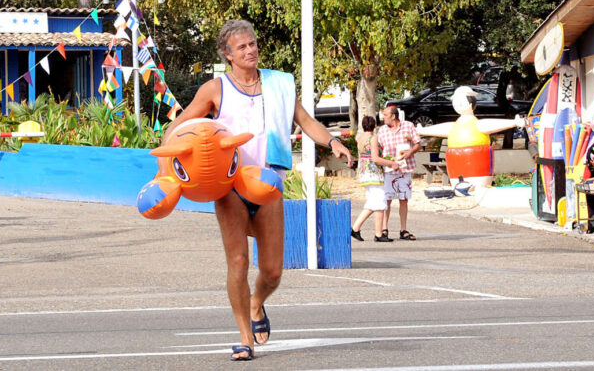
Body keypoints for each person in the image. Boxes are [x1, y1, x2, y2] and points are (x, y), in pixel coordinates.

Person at [162, 19, 353, 362]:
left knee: (273, 271)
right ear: (228, 54)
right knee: (238, 261)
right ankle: (244, 337)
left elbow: (305, 121)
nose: (250, 50)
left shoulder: (278, 84)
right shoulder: (215, 89)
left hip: (268, 183)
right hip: (230, 185)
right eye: (242, 47)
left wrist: (333, 142)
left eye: (252, 44)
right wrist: (168, 165)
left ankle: (256, 302)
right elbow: (180, 126)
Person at [350, 115, 400, 242]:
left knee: (372, 202)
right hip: (374, 173)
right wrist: (391, 163)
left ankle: (355, 228)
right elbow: (375, 158)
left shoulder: (360, 139)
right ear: (375, 125)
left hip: (364, 172)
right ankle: (378, 234)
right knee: (380, 202)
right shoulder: (373, 138)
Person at [377, 104, 421, 241]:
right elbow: (378, 149)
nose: (383, 117)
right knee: (387, 199)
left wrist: (410, 152)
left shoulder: (408, 126)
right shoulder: (382, 131)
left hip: (405, 169)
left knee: (404, 199)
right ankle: (384, 229)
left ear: (393, 116)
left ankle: (403, 229)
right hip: (389, 170)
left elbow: (418, 143)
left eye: (385, 115)